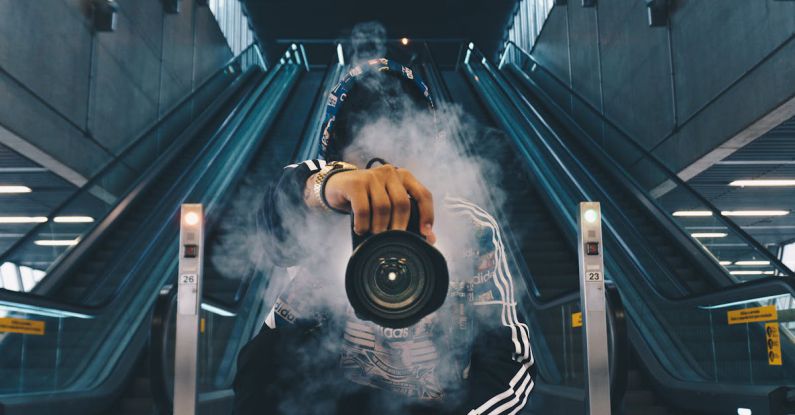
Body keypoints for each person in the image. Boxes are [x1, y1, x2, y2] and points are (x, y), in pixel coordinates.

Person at [234, 58, 536, 415]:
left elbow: (509, 365)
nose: (387, 170)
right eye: (364, 154)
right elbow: (279, 220)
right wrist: (327, 188)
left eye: (403, 147)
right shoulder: (324, 209)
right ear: (338, 158)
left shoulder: (470, 226)